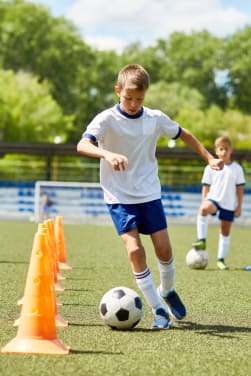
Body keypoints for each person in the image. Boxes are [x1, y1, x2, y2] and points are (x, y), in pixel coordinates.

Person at [77, 64, 223, 330]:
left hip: (148, 194)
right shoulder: (106, 119)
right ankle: (158, 310)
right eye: (128, 98)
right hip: (118, 196)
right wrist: (106, 154)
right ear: (118, 91)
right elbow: (82, 143)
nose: (133, 104)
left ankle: (167, 291)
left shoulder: (155, 118)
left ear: (146, 95)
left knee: (164, 250)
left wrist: (209, 157)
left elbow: (184, 134)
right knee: (134, 250)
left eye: (139, 99)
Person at [192, 136, 246, 270]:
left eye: (226, 149)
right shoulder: (210, 167)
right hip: (213, 199)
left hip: (229, 203)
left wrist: (238, 206)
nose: (223, 152)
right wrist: (204, 201)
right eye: (221, 149)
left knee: (225, 230)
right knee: (203, 209)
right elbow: (206, 186)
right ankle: (202, 241)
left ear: (231, 150)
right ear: (216, 150)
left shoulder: (237, 169)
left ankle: (220, 260)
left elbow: (240, 189)